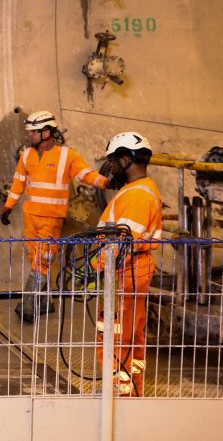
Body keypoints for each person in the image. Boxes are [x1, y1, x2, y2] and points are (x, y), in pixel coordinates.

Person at [0, 110, 113, 322]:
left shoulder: (67, 155)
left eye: (34, 132)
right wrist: (8, 207)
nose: (30, 135)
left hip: (51, 218)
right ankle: (46, 303)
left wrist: (106, 182)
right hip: (30, 216)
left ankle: (28, 304)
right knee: (34, 257)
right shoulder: (27, 155)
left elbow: (85, 174)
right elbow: (18, 183)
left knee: (42, 260)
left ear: (47, 132)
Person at [95, 131, 162, 397]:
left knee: (115, 340)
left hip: (124, 276)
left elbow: (120, 246)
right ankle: (132, 395)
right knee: (131, 339)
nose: (110, 167)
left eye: (112, 161)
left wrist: (93, 267)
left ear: (125, 159)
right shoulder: (138, 190)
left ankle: (119, 400)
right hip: (131, 273)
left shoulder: (137, 197)